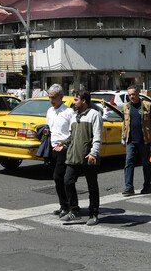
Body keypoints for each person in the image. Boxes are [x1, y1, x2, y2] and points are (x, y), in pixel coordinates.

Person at [56, 91, 103, 226]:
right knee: (67, 181)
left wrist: (94, 153)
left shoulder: (94, 115)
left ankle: (94, 214)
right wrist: (63, 143)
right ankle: (74, 210)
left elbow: (98, 136)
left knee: (92, 186)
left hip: (89, 156)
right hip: (73, 155)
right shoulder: (74, 116)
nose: (73, 102)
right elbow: (72, 137)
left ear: (84, 101)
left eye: (76, 99)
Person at [121, 85, 151, 196]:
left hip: (144, 140)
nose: (131, 96)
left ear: (138, 94)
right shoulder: (126, 107)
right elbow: (124, 123)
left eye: (133, 94)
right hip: (130, 140)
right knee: (128, 163)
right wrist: (123, 137)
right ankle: (129, 188)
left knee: (146, 164)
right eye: (129, 95)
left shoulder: (146, 106)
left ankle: (147, 186)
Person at [46, 84, 75, 220]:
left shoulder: (69, 112)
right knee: (58, 179)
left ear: (61, 97)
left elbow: (73, 132)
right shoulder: (50, 111)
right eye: (50, 97)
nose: (51, 100)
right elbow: (50, 127)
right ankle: (63, 205)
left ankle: (67, 206)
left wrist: (64, 145)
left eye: (54, 97)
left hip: (64, 148)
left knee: (59, 177)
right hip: (53, 148)